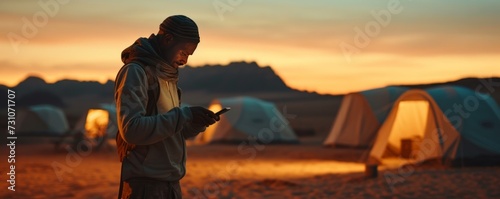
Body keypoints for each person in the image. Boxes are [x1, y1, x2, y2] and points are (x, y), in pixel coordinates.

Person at [114, 15, 219, 199]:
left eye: (189, 55)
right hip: (144, 186)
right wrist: (183, 116)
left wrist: (194, 122)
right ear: (168, 39)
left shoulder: (167, 76)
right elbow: (131, 130)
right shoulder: (136, 72)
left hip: (170, 184)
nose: (185, 60)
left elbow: (167, 130)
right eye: (183, 52)